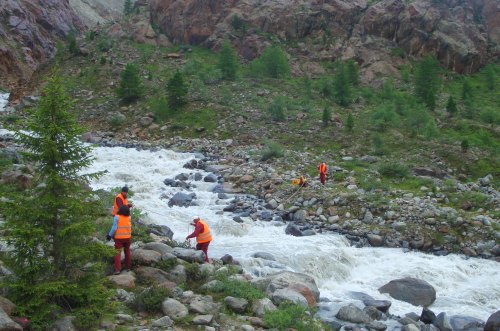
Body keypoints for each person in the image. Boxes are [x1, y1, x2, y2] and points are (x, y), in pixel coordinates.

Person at [107, 205, 132, 274]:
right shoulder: (129, 217)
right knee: (127, 252)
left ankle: (117, 269)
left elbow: (114, 228)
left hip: (119, 239)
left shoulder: (117, 217)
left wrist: (109, 235)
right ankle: (128, 268)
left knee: (117, 253)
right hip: (128, 238)